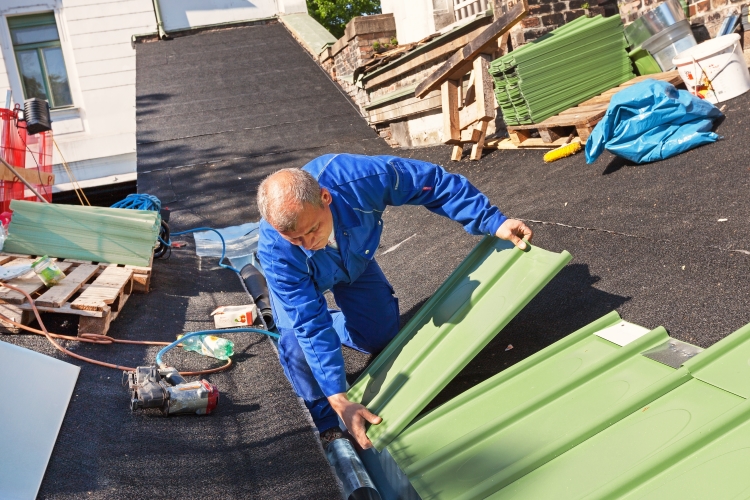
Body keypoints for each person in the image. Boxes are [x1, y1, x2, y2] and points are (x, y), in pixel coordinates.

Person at [256, 154, 532, 450]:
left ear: (325, 198)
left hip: (355, 259)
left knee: (380, 337)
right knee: (299, 345)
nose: (309, 243)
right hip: (305, 280)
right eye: (296, 239)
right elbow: (309, 322)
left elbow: (431, 182)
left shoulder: (359, 179)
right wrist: (338, 396)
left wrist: (492, 220)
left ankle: (334, 325)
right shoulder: (276, 251)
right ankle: (325, 424)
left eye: (312, 230)